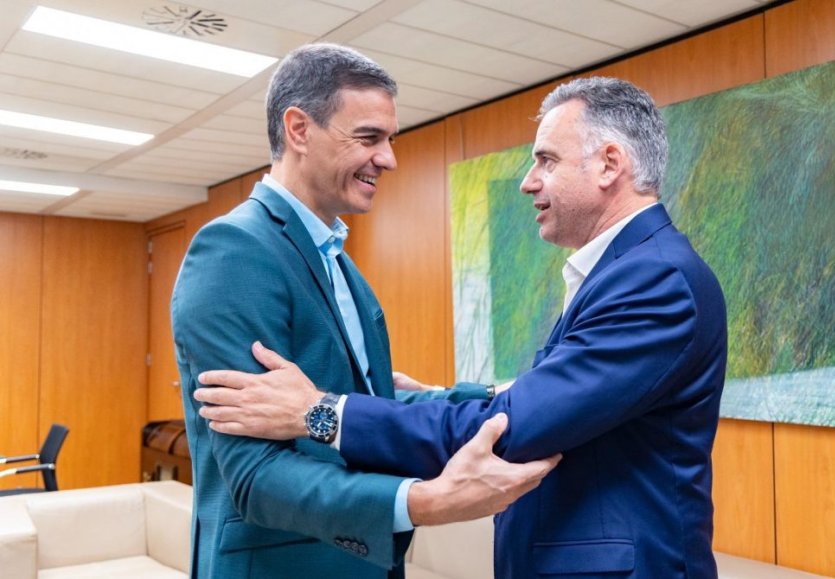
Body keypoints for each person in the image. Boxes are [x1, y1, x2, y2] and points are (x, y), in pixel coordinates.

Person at [196, 76, 729, 578]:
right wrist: (434, 399)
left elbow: (511, 427)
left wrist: (315, 412)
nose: (528, 181)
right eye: (369, 137)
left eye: (545, 159)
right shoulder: (629, 271)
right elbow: (548, 401)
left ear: (610, 164)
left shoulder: (654, 279)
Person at [171, 43, 559, 579]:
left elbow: (356, 403)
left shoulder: (339, 264)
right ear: (299, 129)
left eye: (390, 140)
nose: (389, 158)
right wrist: (426, 501)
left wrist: (501, 397)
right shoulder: (235, 252)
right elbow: (255, 476)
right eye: (369, 138)